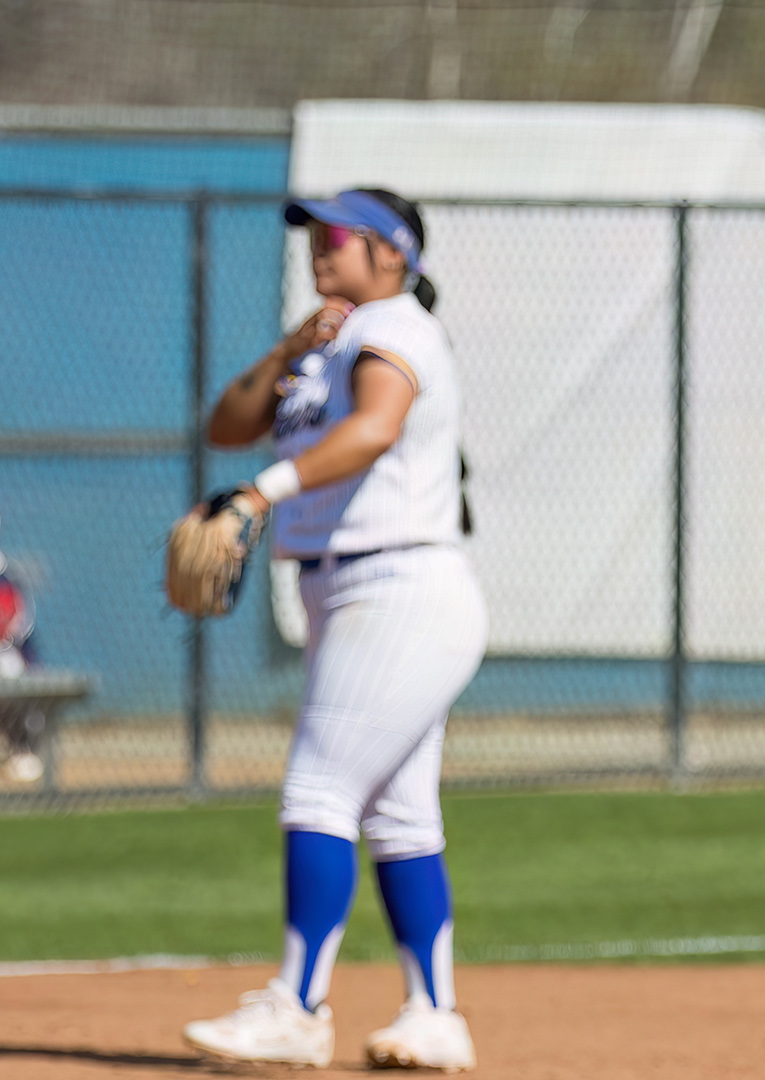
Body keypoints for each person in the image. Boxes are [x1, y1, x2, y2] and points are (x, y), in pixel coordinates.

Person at [181, 189, 486, 1070]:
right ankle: (434, 1016)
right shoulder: (329, 344)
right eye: (314, 232)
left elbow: (376, 427)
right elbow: (227, 425)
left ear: (392, 253)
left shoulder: (397, 326)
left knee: (320, 790)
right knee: (399, 815)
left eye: (339, 233)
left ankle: (298, 1006)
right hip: (353, 591)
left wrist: (261, 493)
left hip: (397, 583)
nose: (320, 245)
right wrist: (289, 349)